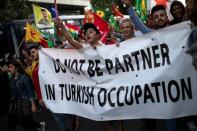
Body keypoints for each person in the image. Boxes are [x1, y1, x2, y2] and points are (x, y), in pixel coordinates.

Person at [55, 19, 124, 131]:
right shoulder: (84, 49)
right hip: (96, 87)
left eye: (91, 31)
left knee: (117, 108)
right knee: (102, 111)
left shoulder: (107, 47)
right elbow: (70, 39)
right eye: (86, 33)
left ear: (97, 35)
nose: (87, 34)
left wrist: (116, 47)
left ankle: (121, 128)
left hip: (110, 84)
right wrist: (62, 27)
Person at [7, 59, 37, 131]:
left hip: (26, 104)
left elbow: (30, 92)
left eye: (11, 67)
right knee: (25, 124)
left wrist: (33, 105)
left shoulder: (24, 77)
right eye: (9, 67)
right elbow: (13, 94)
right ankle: (36, 126)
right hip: (18, 105)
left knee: (28, 124)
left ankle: (36, 126)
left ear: (16, 68)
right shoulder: (12, 80)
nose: (9, 69)